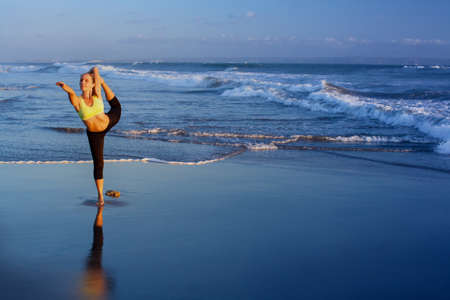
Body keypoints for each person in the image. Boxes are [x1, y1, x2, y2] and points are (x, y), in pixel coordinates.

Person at [56, 67, 121, 206]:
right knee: (98, 164)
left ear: (92, 84)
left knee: (117, 107)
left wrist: (96, 72)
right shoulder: (78, 101)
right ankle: (100, 197)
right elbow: (72, 94)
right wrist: (66, 88)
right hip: (95, 134)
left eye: (86, 80)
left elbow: (96, 72)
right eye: (81, 80)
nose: (83, 82)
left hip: (109, 121)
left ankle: (103, 82)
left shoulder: (97, 93)